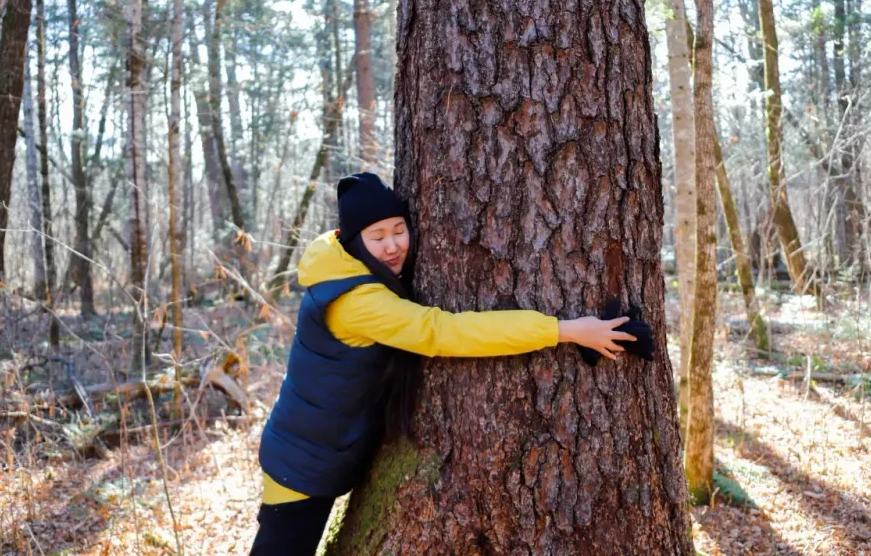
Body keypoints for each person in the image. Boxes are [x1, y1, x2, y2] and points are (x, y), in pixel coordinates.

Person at [251, 172, 643, 555]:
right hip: (302, 463)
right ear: (353, 241)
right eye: (377, 236)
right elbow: (446, 333)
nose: (392, 246)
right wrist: (566, 330)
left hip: (309, 450)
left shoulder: (343, 267)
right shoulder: (358, 302)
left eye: (398, 229)